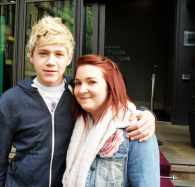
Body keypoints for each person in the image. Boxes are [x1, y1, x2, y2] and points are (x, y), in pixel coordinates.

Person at [0, 16, 156, 186]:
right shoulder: (11, 100)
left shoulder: (78, 92)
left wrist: (146, 114)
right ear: (31, 56)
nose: (51, 62)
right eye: (43, 53)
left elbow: (115, 107)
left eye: (59, 54)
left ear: (69, 58)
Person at [62, 54, 160, 187]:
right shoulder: (78, 124)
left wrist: (149, 115)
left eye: (92, 82)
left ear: (110, 87)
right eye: (78, 83)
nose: (82, 90)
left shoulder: (137, 130)